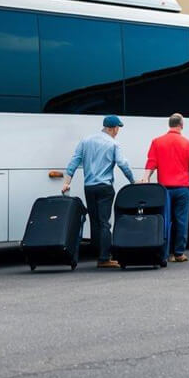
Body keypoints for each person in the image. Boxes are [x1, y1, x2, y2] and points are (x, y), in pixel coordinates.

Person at [62, 115, 135, 268]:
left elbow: (74, 161)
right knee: (104, 223)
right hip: (104, 188)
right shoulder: (113, 143)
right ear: (112, 128)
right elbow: (122, 164)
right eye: (117, 128)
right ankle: (104, 258)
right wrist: (133, 182)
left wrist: (67, 182)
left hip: (89, 187)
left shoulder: (86, 140)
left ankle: (97, 253)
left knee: (95, 222)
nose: (118, 132)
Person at [141, 113, 189, 263]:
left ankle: (164, 253)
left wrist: (146, 177)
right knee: (181, 221)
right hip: (182, 189)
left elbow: (151, 163)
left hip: (164, 190)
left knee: (165, 220)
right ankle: (179, 253)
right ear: (182, 125)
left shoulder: (157, 142)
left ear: (169, 124)